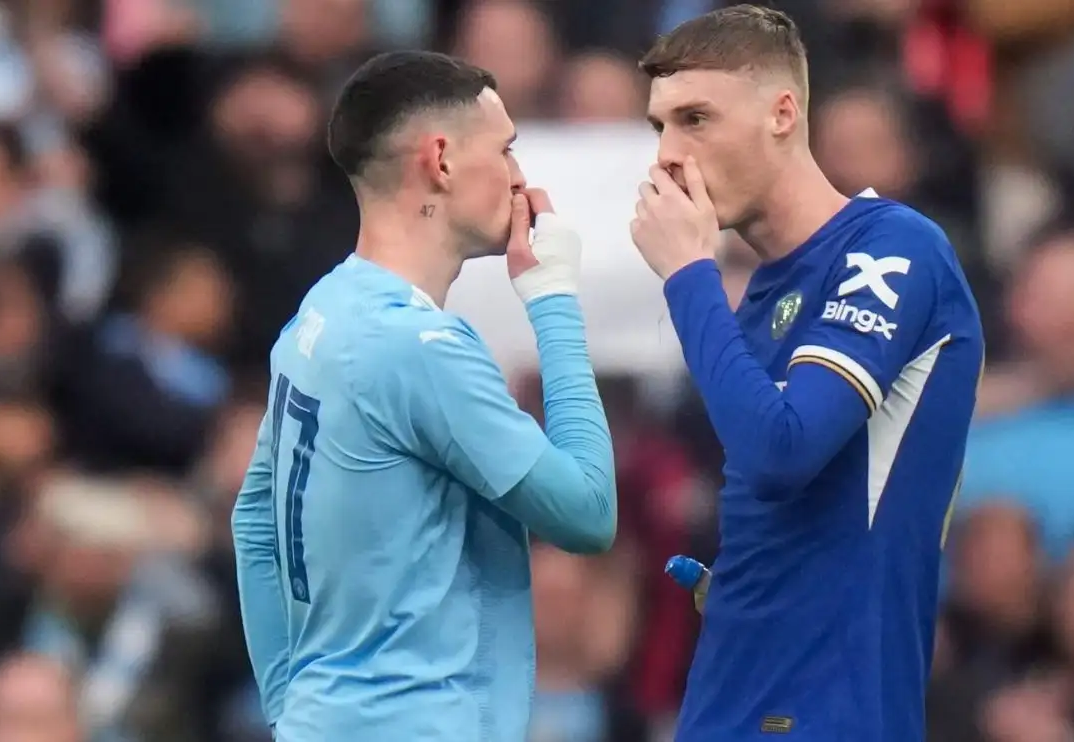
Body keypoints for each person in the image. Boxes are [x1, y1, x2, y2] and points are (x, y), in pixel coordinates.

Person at [230, 51, 617, 741]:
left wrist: (294, 710)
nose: (521, 176)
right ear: (440, 160)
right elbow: (587, 512)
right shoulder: (419, 349)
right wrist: (554, 299)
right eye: (506, 149)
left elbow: (253, 524)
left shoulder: (319, 315)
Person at [628, 6, 984, 742]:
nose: (667, 154)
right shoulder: (765, 293)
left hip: (829, 709)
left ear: (783, 113)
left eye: (695, 119)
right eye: (658, 126)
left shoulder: (891, 249)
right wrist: (748, 588)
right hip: (733, 694)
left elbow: (784, 449)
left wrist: (691, 273)